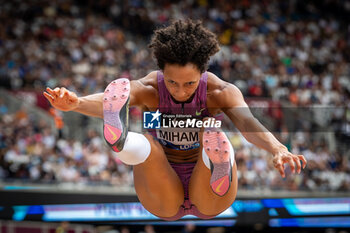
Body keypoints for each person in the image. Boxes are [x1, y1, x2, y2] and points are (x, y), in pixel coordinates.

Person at [43, 19, 307, 221]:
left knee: (210, 133)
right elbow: (113, 97)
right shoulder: (149, 88)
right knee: (150, 147)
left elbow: (248, 123)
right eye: (172, 82)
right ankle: (124, 142)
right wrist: (77, 103)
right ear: (161, 72)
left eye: (190, 83)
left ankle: (216, 162)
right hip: (163, 184)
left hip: (209, 188)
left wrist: (278, 149)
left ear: (203, 73)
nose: (180, 91)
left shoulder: (219, 92)